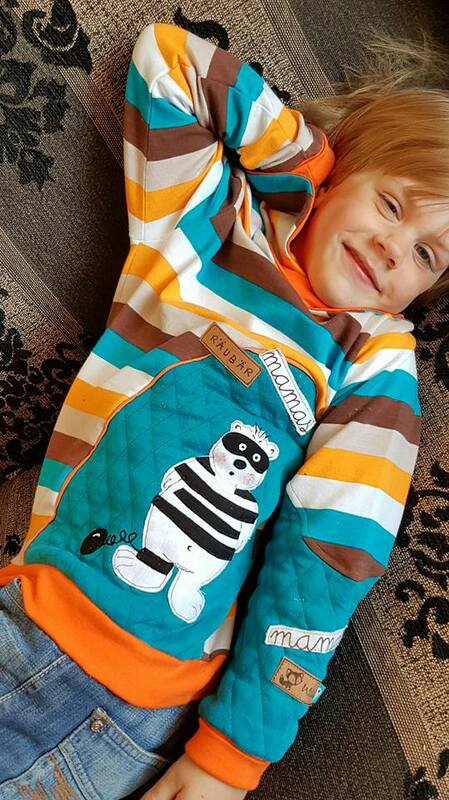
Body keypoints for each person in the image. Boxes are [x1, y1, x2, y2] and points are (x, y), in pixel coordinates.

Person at [1, 20, 449, 800]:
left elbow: (327, 562)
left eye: (425, 254)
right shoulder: (204, 225)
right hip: (32, 603)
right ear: (340, 170)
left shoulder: (373, 361)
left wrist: (231, 757)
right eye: (389, 204)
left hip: (119, 710)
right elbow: (167, 64)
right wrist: (301, 162)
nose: (391, 248)